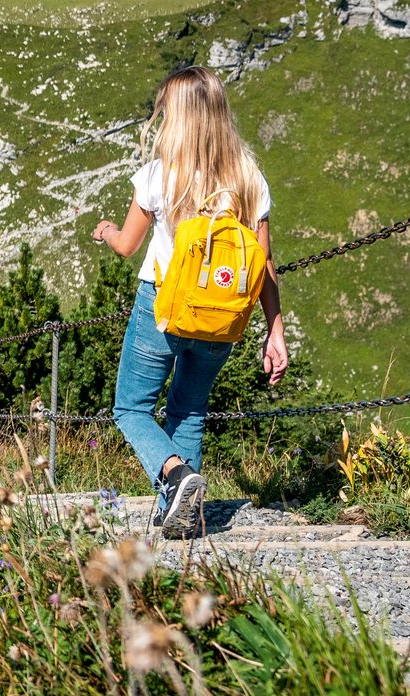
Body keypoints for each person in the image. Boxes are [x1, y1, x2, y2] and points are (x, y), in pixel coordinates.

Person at [90, 65, 288, 537]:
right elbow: (263, 264)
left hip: (163, 307)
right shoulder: (248, 178)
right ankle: (183, 516)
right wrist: (274, 330)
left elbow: (127, 246)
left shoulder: (160, 175)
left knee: (131, 409)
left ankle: (175, 475)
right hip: (222, 320)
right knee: (189, 409)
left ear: (176, 117)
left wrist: (105, 232)